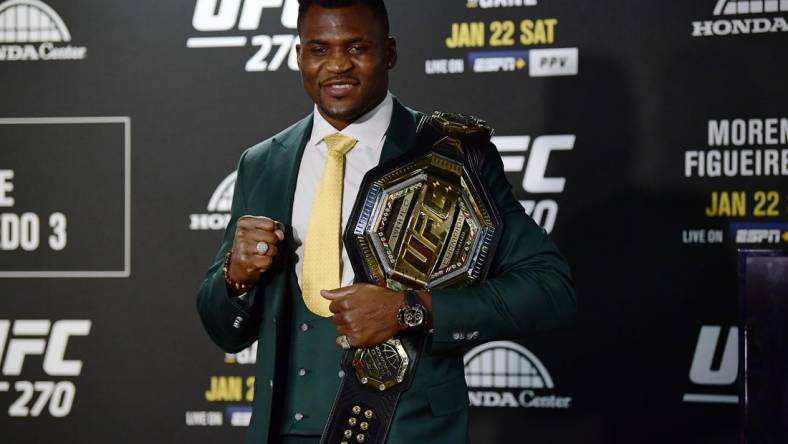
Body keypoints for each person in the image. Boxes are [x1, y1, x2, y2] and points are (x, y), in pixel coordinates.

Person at [196, 1, 576, 443]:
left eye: (357, 47)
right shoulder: (263, 164)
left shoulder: (449, 155)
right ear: (299, 55)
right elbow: (224, 330)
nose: (337, 64)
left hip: (403, 430)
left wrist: (411, 309)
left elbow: (551, 289)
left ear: (389, 52)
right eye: (319, 49)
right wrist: (235, 280)